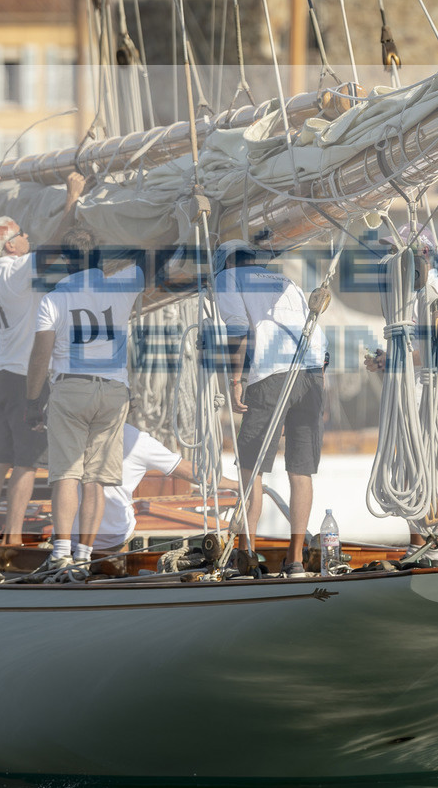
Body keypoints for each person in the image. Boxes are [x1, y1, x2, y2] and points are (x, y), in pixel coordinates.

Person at [0, 172, 87, 567]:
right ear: (10, 242)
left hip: (4, 372)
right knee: (26, 461)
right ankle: (14, 537)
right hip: (27, 377)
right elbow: (54, 245)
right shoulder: (16, 269)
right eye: (21, 232)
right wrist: (72, 198)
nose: (26, 236)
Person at [25, 227, 144, 576]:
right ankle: (83, 556)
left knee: (66, 475)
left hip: (70, 388)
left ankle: (61, 552)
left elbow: (40, 357)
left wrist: (33, 402)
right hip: (113, 391)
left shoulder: (54, 299)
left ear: (65, 261)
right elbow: (146, 255)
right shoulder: (122, 285)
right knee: (95, 479)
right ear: (99, 258)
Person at [215, 239, 326, 578]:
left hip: (271, 377)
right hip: (312, 374)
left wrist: (235, 380)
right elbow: (317, 333)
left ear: (228, 262)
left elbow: (237, 328)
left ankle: (246, 556)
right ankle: (295, 560)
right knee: (300, 469)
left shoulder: (228, 278)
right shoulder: (285, 282)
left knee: (251, 468)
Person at [84, 423, 194, 558]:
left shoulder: (69, 427)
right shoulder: (137, 440)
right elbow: (191, 472)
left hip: (65, 540)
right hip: (113, 539)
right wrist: (228, 483)